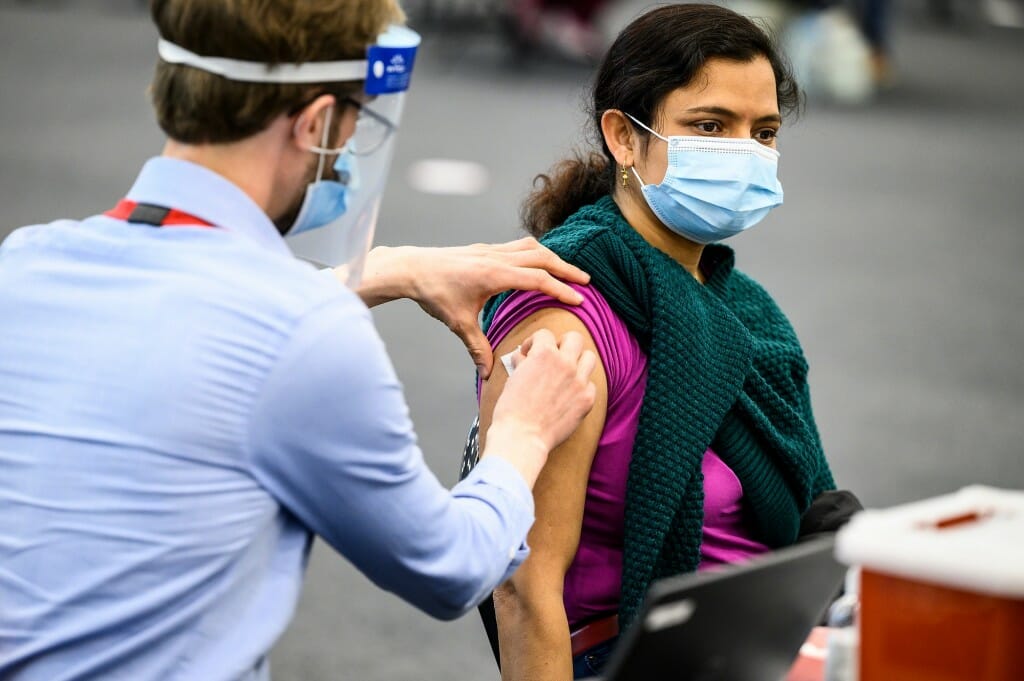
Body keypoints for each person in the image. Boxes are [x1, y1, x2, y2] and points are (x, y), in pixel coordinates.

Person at [0, 1, 600, 679]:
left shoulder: (23, 264)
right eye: (355, 123)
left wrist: (393, 269)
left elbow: (200, 312)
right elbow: (449, 567)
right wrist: (522, 431)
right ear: (315, 124)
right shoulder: (305, 334)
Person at [468, 4, 842, 679]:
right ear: (623, 136)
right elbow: (524, 588)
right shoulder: (566, 314)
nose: (744, 153)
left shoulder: (744, 310)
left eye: (763, 131)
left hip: (763, 642)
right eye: (709, 126)